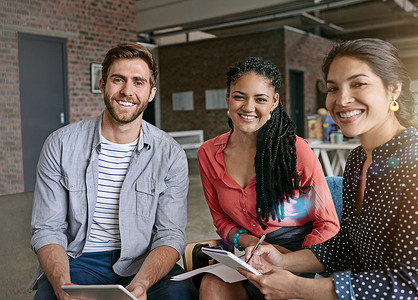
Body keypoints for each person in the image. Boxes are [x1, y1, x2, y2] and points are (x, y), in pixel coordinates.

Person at [239, 38, 418, 299]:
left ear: (394, 89)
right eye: (333, 88)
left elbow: (410, 283)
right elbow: (348, 245)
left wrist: (297, 287)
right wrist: (283, 261)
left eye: (358, 83)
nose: (342, 99)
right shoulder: (358, 160)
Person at [28, 42, 198, 300]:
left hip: (142, 261)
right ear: (102, 85)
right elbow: (48, 229)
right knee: (49, 297)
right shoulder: (60, 144)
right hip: (79, 259)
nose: (127, 91)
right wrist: (65, 288)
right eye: (118, 80)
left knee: (182, 294)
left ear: (151, 93)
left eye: (138, 82)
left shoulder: (170, 153)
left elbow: (170, 233)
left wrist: (142, 284)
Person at [197, 57, 340, 299]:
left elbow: (328, 225)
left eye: (260, 99)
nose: (248, 107)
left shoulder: (296, 151)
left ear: (274, 102)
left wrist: (289, 260)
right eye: (239, 96)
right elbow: (221, 220)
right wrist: (248, 241)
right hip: (251, 252)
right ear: (227, 98)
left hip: (298, 254)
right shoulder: (208, 153)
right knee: (212, 285)